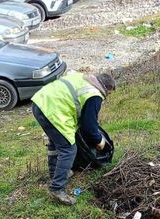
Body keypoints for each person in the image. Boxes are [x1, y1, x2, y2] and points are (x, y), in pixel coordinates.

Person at [31, 71, 117, 205]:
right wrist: (99, 141)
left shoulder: (81, 77)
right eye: (109, 94)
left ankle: (55, 174)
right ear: (106, 88)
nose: (107, 97)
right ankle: (57, 188)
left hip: (39, 103)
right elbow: (89, 128)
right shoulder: (94, 94)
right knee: (68, 149)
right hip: (54, 111)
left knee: (55, 143)